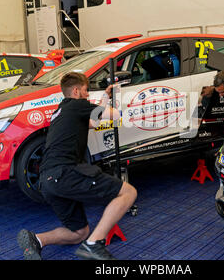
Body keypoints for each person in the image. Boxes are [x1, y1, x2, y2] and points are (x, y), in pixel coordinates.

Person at [17, 72, 137, 260]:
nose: (88, 95)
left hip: (48, 180)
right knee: (128, 193)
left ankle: (37, 240)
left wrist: (105, 97)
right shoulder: (76, 105)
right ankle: (93, 245)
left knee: (79, 233)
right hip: (65, 173)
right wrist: (125, 105)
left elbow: (94, 122)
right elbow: (112, 116)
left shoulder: (61, 111)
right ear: (75, 91)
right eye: (85, 90)